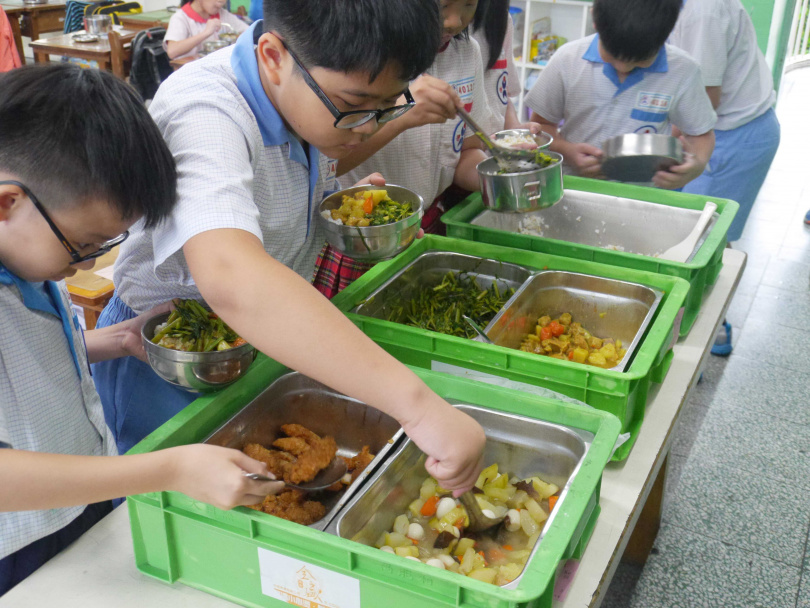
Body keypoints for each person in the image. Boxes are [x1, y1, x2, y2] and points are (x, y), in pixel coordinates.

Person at [93, 0, 486, 494]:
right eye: (355, 105)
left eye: (388, 105)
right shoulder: (204, 107)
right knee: (160, 510)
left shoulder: (310, 100)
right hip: (170, 359)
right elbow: (232, 278)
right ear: (274, 56)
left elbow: (303, 168)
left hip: (264, 342)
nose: (369, 127)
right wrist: (420, 407)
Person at [0, 64, 284, 596]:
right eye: (85, 245)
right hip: (18, 542)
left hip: (75, 506)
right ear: (7, 203)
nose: (86, 265)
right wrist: (166, 469)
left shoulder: (23, 255)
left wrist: (106, 342)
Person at [311, 0, 490, 296]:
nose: (454, 20)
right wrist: (399, 116)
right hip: (359, 237)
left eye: (469, 5)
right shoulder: (361, 49)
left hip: (422, 229)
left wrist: (496, 181)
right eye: (443, 5)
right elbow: (325, 164)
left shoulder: (467, 52)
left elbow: (467, 151)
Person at [668, 0, 781, 355]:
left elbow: (704, 98)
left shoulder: (703, 10)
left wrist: (659, 139)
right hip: (715, 127)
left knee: (704, 240)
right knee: (689, 232)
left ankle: (707, 333)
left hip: (732, 134)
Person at [525, 0, 716, 190]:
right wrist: (567, 152)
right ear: (596, 21)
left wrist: (696, 166)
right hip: (572, 185)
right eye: (612, 56)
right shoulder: (567, 59)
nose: (623, 67)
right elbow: (542, 125)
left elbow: (701, 134)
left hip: (644, 193)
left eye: (640, 61)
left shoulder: (683, 71)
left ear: (668, 33)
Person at [471, 0, 522, 133]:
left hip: (489, 148)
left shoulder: (500, 17)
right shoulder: (443, 32)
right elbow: (409, 102)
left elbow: (500, 94)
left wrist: (514, 130)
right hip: (454, 150)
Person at [164, 0, 247, 60]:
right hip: (190, 73)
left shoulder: (222, 14)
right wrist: (206, 33)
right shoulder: (181, 18)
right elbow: (172, 51)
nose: (222, 2)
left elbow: (248, 31)